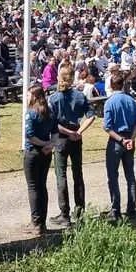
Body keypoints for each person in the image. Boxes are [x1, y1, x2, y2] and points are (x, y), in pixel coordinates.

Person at [47, 65, 89, 227]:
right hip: (76, 137)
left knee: (61, 175)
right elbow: (91, 116)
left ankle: (64, 214)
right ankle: (80, 212)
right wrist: (78, 131)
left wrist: (68, 132)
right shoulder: (80, 96)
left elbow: (53, 122)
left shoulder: (54, 98)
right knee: (78, 174)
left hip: (61, 138)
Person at [102, 73, 136, 223]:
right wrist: (131, 139)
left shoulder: (110, 102)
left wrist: (121, 140)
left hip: (116, 141)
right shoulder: (131, 101)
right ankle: (131, 209)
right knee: (130, 176)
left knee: (113, 176)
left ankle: (116, 210)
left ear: (111, 86)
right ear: (123, 84)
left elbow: (107, 127)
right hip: (129, 139)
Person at [22, 85, 57, 235]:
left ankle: (35, 223)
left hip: (33, 152)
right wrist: (50, 144)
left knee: (33, 187)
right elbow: (55, 132)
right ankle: (42, 223)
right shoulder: (49, 113)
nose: (26, 98)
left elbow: (30, 136)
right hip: (46, 153)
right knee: (42, 186)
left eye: (28, 95)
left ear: (34, 97)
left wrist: (44, 144)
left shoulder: (31, 113)